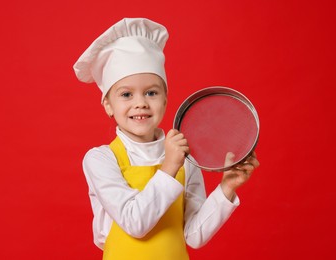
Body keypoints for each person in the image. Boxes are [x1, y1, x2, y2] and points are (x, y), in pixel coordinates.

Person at [73, 18, 260, 260]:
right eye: (126, 94)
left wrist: (226, 188)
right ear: (108, 105)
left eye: (151, 92)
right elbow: (134, 223)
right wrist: (170, 166)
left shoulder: (185, 157)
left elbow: (194, 235)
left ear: (165, 98)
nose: (140, 102)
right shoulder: (101, 159)